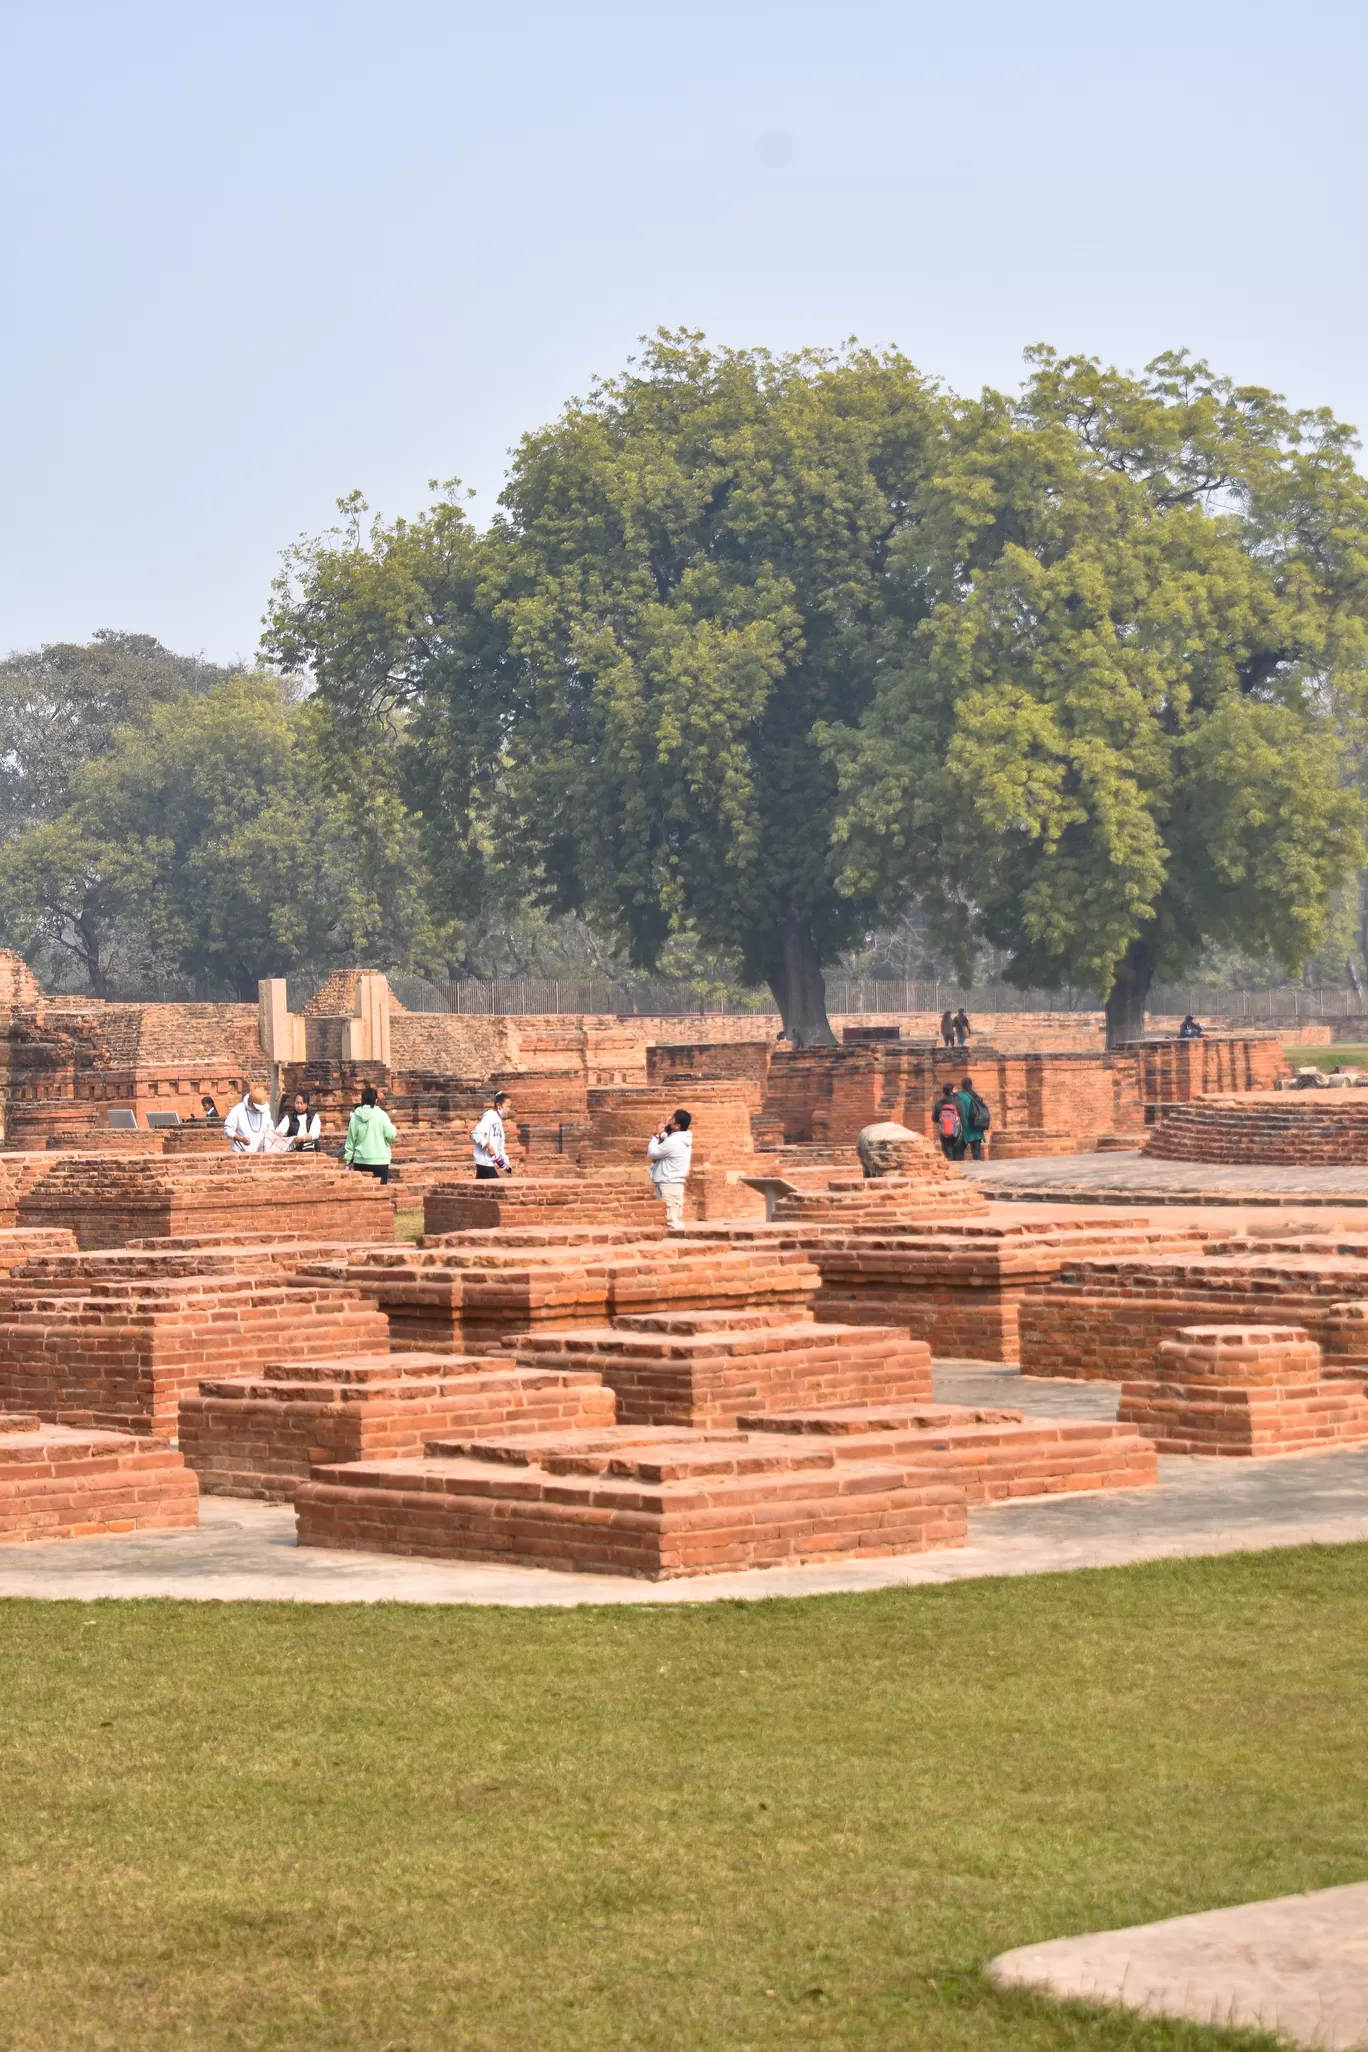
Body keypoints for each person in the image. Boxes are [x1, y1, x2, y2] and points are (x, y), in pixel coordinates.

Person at [646, 1107, 693, 1229]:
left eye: (672, 1119)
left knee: (671, 1221)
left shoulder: (673, 1142)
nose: (669, 1120)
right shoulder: (681, 1139)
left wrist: (656, 1135)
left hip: (668, 1183)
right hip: (673, 1183)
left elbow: (652, 1153)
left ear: (677, 1126)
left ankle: (678, 1245)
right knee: (674, 1218)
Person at [344, 1084, 397, 1185]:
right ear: (376, 1100)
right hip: (380, 1159)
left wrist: (348, 1160)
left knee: (362, 1193)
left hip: (360, 1160)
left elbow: (350, 1140)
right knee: (381, 1193)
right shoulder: (381, 1115)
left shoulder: (355, 1116)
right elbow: (391, 1134)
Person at [472, 1092, 514, 1180]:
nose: (508, 1110)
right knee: (495, 1187)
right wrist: (488, 1146)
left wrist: (505, 1164)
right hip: (484, 1161)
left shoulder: (498, 1120)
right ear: (498, 1105)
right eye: (507, 1106)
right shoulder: (489, 1116)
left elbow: (499, 1147)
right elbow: (476, 1133)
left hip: (489, 1162)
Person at [223, 1082, 274, 1153]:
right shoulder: (238, 1110)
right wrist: (241, 1139)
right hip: (241, 1153)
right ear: (250, 1101)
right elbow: (227, 1130)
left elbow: (270, 1126)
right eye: (256, 1107)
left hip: (261, 1153)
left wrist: (270, 1135)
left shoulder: (265, 1110)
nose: (258, 1109)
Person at [955, 1075, 991, 1161]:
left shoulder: (959, 1096)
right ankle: (978, 1169)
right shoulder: (976, 1096)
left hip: (964, 1127)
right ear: (971, 1085)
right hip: (976, 1126)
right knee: (976, 1153)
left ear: (962, 1085)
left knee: (959, 1153)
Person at [935, 1083, 965, 1161]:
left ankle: (950, 1169)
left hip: (944, 1132)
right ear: (951, 1091)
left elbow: (934, 1118)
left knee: (947, 1153)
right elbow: (963, 1118)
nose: (957, 1091)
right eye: (955, 1089)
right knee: (958, 1153)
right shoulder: (958, 1102)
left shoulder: (939, 1104)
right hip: (957, 1131)